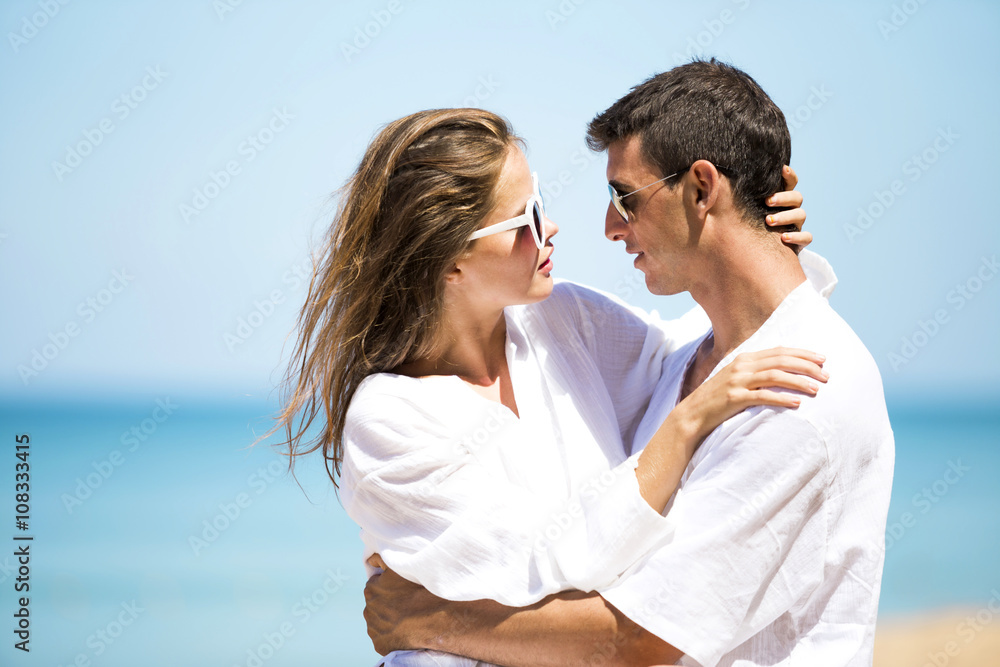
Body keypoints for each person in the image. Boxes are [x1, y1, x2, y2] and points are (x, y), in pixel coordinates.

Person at [362, 60, 895, 667]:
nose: (608, 227)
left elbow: (641, 640)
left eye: (626, 198)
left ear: (700, 188)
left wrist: (429, 619)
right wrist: (771, 246)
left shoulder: (797, 397)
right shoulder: (686, 366)